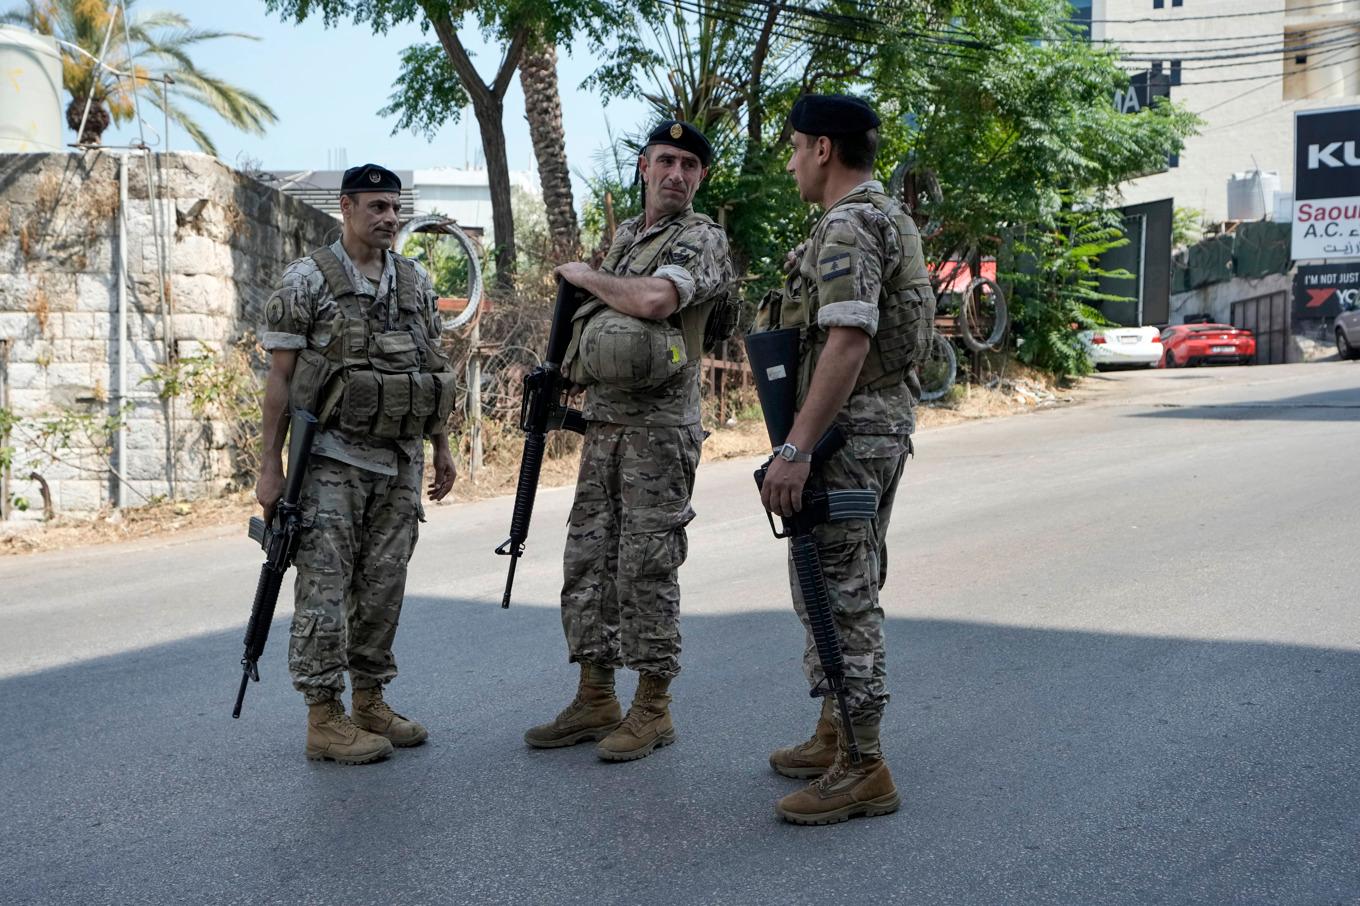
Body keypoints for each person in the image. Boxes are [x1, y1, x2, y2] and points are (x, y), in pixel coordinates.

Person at [524, 120, 735, 762]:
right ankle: (595, 696)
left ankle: (652, 708)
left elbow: (653, 300)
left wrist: (586, 276)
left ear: (699, 179)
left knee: (647, 565)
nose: (677, 174)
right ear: (643, 167)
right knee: (589, 558)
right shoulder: (624, 238)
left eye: (690, 166)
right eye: (666, 161)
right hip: (605, 427)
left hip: (661, 433)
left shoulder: (701, 238)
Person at [755, 95, 936, 823]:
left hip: (845, 441)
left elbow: (848, 340)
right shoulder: (889, 215)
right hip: (876, 432)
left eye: (797, 147)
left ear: (824, 149)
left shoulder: (849, 224)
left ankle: (864, 766)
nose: (794, 160)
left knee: (839, 592)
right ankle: (837, 730)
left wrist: (796, 448)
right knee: (839, 579)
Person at [256, 163, 458, 765]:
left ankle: (369, 701)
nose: (388, 218)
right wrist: (268, 465)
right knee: (325, 586)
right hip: (331, 465)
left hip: (399, 462)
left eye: (394, 207)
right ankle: (324, 716)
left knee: (383, 587)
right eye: (375, 207)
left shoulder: (415, 283)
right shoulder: (305, 281)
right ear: (346, 208)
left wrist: (442, 445)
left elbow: (431, 370)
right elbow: (280, 381)